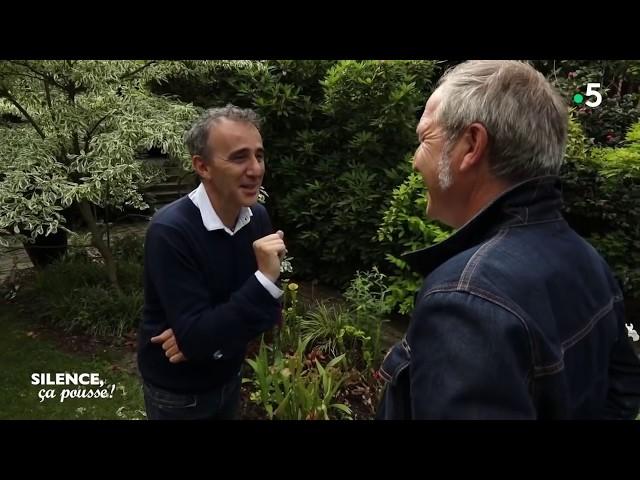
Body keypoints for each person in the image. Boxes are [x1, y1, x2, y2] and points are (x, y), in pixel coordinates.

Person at [377, 60, 640, 419]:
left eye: (424, 139)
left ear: (471, 145)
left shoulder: (465, 299)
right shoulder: (586, 259)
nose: (414, 161)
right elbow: (622, 394)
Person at [137, 105, 286, 420]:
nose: (256, 169)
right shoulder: (171, 231)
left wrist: (203, 335)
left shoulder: (257, 217)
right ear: (202, 167)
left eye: (259, 155)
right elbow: (255, 302)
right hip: (178, 393)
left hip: (229, 377)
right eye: (239, 157)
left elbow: (270, 315)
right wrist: (262, 282)